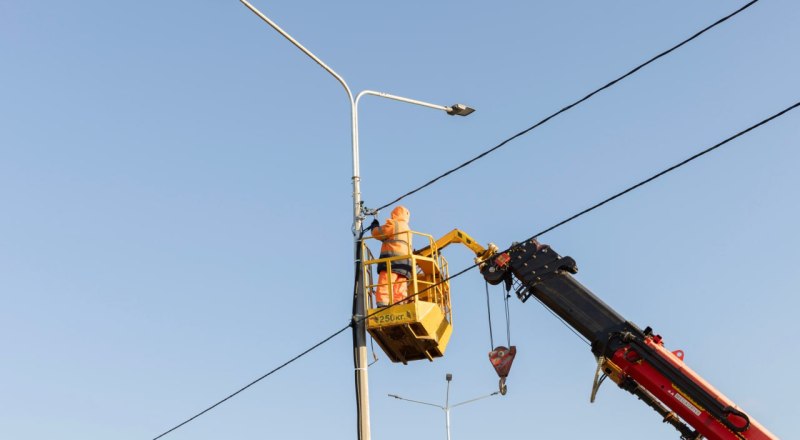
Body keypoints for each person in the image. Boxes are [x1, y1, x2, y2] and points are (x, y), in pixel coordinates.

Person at [369, 205, 412, 307]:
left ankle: (382, 305)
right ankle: (399, 306)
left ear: (395, 214)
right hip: (405, 265)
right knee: (400, 287)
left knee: (385, 284)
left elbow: (378, 233)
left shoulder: (394, 224)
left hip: (391, 262)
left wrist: (374, 227)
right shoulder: (408, 229)